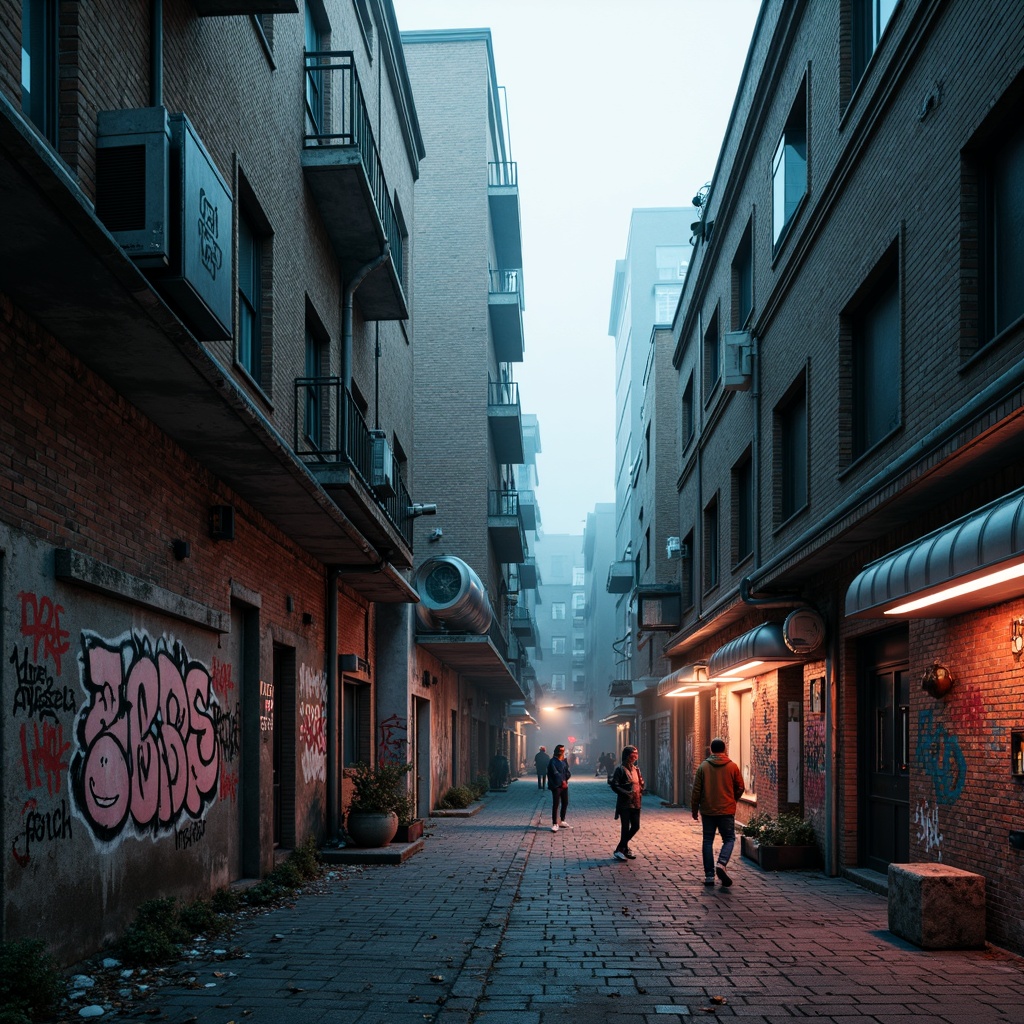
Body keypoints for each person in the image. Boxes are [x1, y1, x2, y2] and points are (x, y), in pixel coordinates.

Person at [691, 737, 745, 887]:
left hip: (708, 810)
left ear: (711, 750)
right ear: (725, 749)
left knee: (707, 840)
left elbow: (696, 791)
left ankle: (709, 876)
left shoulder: (703, 767)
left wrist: (695, 809)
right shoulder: (732, 766)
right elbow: (741, 787)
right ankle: (721, 863)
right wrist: (732, 799)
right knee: (729, 839)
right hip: (726, 810)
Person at [609, 745, 644, 860]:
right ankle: (623, 849)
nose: (636, 756)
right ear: (628, 755)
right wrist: (626, 793)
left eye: (637, 753)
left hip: (636, 801)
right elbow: (614, 785)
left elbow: (640, 783)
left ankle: (621, 848)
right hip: (625, 803)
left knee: (635, 826)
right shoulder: (620, 769)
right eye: (634, 753)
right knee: (625, 827)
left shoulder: (635, 769)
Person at [547, 743, 571, 831]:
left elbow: (567, 771)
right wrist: (562, 781)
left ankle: (562, 820)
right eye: (561, 750)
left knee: (565, 802)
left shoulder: (564, 761)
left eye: (563, 750)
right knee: (556, 804)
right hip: (556, 785)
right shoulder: (553, 761)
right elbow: (555, 773)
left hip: (564, 785)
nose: (562, 752)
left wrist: (567, 778)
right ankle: (555, 823)